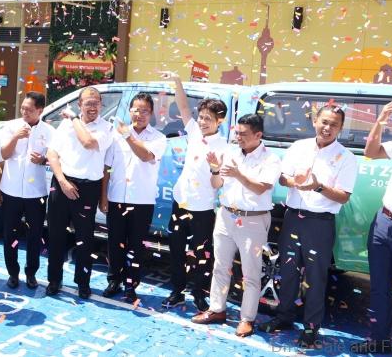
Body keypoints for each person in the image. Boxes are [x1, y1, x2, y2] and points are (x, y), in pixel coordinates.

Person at [259, 105, 357, 348]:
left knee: (315, 278)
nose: (327, 128)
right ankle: (284, 317)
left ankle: (311, 328)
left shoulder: (346, 157)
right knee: (288, 271)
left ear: (340, 128)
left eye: (334, 124)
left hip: (319, 223)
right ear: (315, 121)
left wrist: (317, 186)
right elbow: (283, 178)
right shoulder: (298, 147)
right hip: (293, 217)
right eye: (324, 122)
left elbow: (344, 196)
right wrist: (296, 181)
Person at [192, 114, 281, 338]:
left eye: (243, 134)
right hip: (226, 215)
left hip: (253, 219)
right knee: (220, 266)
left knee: (251, 273)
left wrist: (238, 174)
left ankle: (247, 319)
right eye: (237, 133)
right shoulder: (231, 153)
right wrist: (215, 170)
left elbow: (261, 188)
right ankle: (217, 309)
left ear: (258, 135)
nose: (238, 138)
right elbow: (217, 184)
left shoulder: (271, 159)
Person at [351, 101, 392, 357]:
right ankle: (379, 340)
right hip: (384, 222)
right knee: (379, 287)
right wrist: (380, 122)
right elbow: (371, 151)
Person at [160, 72, 231, 312]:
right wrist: (177, 81)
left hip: (203, 209)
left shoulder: (225, 147)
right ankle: (177, 291)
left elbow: (217, 184)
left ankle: (199, 294)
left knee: (202, 254)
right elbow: (183, 106)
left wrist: (215, 169)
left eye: (208, 119)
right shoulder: (194, 132)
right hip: (181, 202)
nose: (202, 122)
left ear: (220, 121)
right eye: (201, 117)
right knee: (176, 250)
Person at [45, 87, 114, 299]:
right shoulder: (66, 125)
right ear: (80, 104)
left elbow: (88, 143)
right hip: (62, 183)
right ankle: (54, 280)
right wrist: (62, 181)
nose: (92, 107)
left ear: (101, 104)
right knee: (55, 235)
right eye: (88, 103)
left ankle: (83, 283)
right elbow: (52, 153)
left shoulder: (106, 128)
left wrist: (74, 118)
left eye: (96, 103)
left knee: (85, 239)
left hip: (88, 188)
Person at [99, 93, 167, 302]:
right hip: (117, 197)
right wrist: (103, 196)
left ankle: (131, 284)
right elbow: (107, 168)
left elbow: (145, 156)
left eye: (145, 110)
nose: (140, 114)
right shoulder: (115, 136)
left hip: (142, 200)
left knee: (136, 246)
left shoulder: (158, 138)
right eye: (136, 110)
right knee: (114, 242)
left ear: (151, 114)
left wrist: (128, 135)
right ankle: (114, 280)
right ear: (129, 111)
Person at [0, 92, 55, 289]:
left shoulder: (49, 131)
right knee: (10, 234)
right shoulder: (11, 126)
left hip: (36, 192)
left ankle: (31, 273)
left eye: (29, 110)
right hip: (11, 189)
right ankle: (12, 273)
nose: (24, 112)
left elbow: (55, 158)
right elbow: (4, 154)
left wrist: (43, 160)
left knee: (35, 234)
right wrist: (16, 137)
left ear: (40, 110)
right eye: (23, 108)